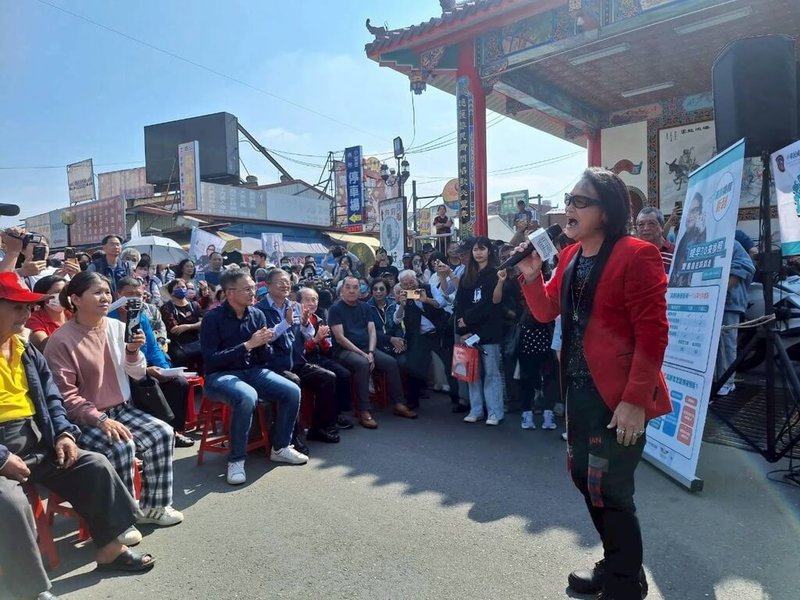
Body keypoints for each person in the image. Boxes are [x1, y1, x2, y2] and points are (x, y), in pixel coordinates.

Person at [515, 167, 671, 600]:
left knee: (612, 490)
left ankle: (624, 585)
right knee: (587, 481)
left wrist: (635, 399)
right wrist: (531, 274)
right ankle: (621, 567)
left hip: (618, 397)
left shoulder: (637, 254)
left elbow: (653, 333)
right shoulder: (569, 257)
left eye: (580, 201)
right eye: (569, 199)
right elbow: (545, 311)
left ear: (606, 211)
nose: (569, 207)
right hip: (578, 391)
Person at [0, 273, 156, 600]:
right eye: (17, 307)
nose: (26, 314)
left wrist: (64, 434)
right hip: (3, 448)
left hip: (37, 437)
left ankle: (110, 550)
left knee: (94, 465)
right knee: (9, 502)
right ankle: (28, 590)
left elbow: (52, 397)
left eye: (28, 308)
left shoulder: (24, 348)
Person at [44, 271, 184, 528]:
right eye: (97, 292)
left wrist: (132, 351)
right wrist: (99, 419)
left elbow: (137, 373)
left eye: (107, 292)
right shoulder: (61, 340)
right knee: (121, 446)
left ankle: (154, 506)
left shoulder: (118, 328)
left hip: (121, 410)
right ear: (76, 299)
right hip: (83, 420)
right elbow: (65, 396)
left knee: (163, 433)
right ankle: (121, 520)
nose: (105, 298)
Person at [200, 271, 307, 486]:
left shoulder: (257, 315)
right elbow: (211, 360)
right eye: (247, 289)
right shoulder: (212, 318)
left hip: (253, 371)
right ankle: (236, 460)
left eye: (253, 288)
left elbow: (263, 356)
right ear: (230, 293)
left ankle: (280, 447)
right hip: (220, 376)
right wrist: (248, 345)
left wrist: (265, 344)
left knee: (292, 390)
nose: (253, 293)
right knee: (247, 396)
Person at [255, 269, 339, 444]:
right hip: (274, 365)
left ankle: (319, 428)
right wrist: (286, 323)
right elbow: (267, 337)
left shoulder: (295, 306)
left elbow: (308, 335)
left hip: (297, 361)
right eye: (280, 282)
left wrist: (306, 323)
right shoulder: (259, 310)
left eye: (287, 282)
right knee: (293, 382)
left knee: (328, 378)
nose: (285, 285)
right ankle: (290, 438)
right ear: (268, 285)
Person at [112, 277, 194, 447]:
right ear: (118, 295)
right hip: (121, 370)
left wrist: (164, 370)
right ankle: (156, 434)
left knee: (178, 383)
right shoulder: (110, 319)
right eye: (129, 294)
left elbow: (153, 347)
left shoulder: (141, 317)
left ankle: (174, 431)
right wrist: (147, 370)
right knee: (149, 383)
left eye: (138, 295)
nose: (134, 299)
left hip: (145, 364)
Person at [328, 276, 416, 428]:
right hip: (344, 351)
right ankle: (364, 410)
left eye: (355, 287)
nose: (352, 291)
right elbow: (340, 338)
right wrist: (364, 355)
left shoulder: (365, 307)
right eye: (348, 287)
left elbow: (372, 331)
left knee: (390, 362)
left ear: (360, 290)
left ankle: (399, 403)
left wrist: (370, 351)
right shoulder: (335, 309)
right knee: (363, 364)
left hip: (366, 348)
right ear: (342, 290)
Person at [454, 237, 504, 425]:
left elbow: (490, 303)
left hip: (489, 330)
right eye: (475, 250)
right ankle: (476, 409)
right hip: (469, 332)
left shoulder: (495, 273)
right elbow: (460, 303)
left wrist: (467, 319)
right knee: (472, 372)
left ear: (489, 251)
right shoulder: (467, 275)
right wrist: (463, 328)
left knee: (492, 373)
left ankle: (494, 412)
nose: (478, 253)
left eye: (482, 249)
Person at [394, 270, 459, 410]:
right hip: (419, 337)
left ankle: (457, 398)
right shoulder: (403, 296)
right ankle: (412, 400)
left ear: (416, 279)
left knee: (450, 365)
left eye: (411, 282)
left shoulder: (429, 288)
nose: (409, 286)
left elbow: (442, 303)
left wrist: (427, 300)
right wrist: (402, 305)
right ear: (401, 285)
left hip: (439, 333)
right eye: (405, 284)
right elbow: (396, 319)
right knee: (414, 367)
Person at [297, 287, 353, 430]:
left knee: (344, 373)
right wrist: (315, 340)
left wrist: (323, 340)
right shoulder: (295, 320)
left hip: (318, 357)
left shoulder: (318, 319)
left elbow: (326, 348)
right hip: (303, 360)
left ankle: (338, 413)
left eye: (314, 299)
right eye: (307, 300)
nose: (312, 303)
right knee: (329, 377)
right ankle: (324, 421)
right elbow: (300, 350)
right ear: (298, 302)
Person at [715, 240, 755, 396]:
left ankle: (727, 382)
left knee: (727, 342)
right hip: (708, 301)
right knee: (713, 345)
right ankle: (716, 379)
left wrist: (723, 288)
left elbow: (746, 265)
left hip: (729, 303)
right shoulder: (705, 242)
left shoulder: (732, 243)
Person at [160, 278, 203, 370]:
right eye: (178, 287)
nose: (181, 289)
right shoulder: (167, 308)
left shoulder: (195, 305)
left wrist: (187, 326)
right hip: (178, 345)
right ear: (171, 292)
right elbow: (174, 329)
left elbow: (203, 322)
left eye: (183, 287)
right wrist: (195, 326)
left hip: (196, 342)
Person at [669, 192, 707, 287]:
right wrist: (670, 220)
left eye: (695, 210)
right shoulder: (679, 240)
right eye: (688, 211)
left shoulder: (703, 236)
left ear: (701, 212)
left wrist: (702, 233)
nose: (690, 215)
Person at [26, 276, 70, 351]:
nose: (63, 296)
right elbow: (42, 345)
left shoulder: (73, 313)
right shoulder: (33, 319)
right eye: (57, 292)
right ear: (43, 296)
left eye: (65, 292)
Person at [635, 207, 675, 273]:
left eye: (651, 224)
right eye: (641, 225)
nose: (646, 228)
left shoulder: (675, 252)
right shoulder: (633, 254)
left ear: (662, 226)